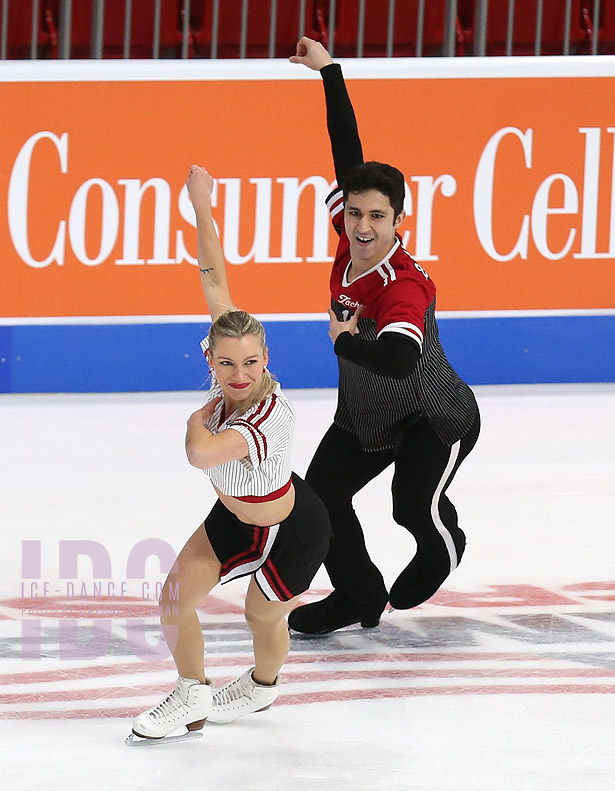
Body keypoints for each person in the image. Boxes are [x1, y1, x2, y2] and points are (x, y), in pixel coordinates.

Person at [128, 165, 332, 743]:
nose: (239, 374)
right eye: (226, 363)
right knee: (174, 598)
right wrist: (202, 206)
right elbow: (215, 276)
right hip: (238, 515)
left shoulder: (267, 418)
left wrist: (196, 418)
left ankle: (262, 687)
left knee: (261, 614)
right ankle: (192, 692)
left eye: (250, 362)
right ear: (212, 359)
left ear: (266, 358)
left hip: (291, 527)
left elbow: (201, 453)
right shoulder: (229, 352)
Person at [287, 38, 481, 635]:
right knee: (318, 501)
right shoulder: (350, 242)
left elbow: (399, 358)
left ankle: (444, 545)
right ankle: (358, 595)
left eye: (378, 217)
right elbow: (347, 149)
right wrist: (329, 72)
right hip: (367, 417)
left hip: (433, 416)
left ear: (401, 220)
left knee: (410, 506)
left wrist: (344, 343)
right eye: (355, 214)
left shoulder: (405, 287)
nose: (364, 226)